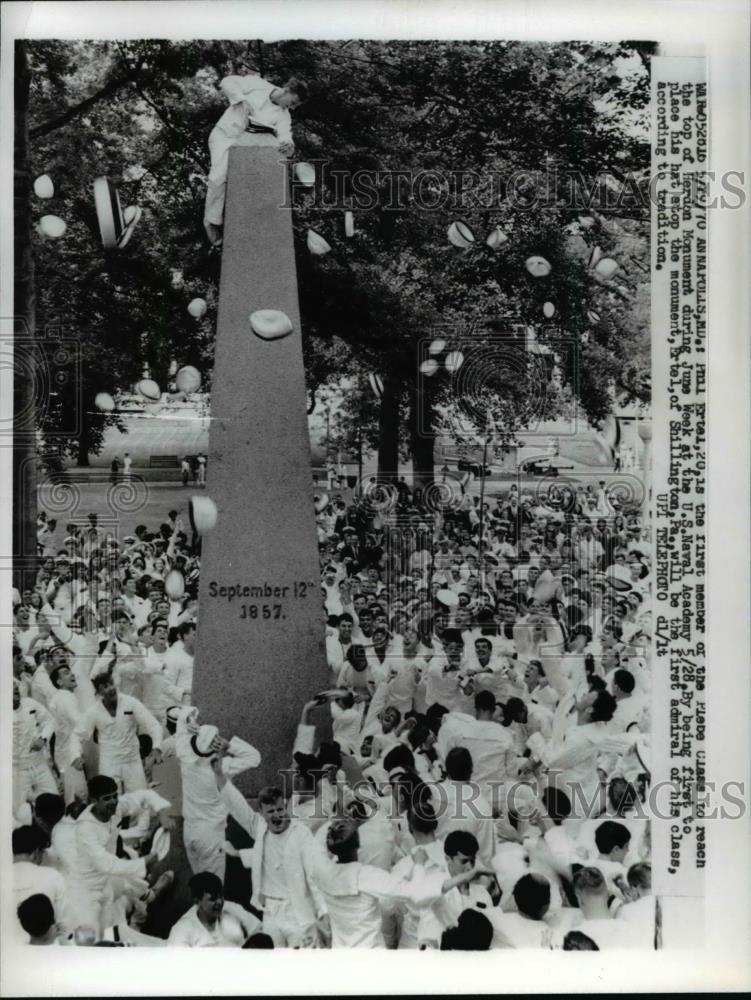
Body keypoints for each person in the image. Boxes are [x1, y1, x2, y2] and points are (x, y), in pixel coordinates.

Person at [213, 765, 327, 947]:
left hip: (297, 912)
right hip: (271, 912)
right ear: (262, 813)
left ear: (285, 807)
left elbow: (313, 873)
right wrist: (219, 775)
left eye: (280, 810)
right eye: (271, 811)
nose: (277, 816)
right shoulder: (260, 827)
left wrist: (322, 910)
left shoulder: (301, 832)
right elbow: (237, 805)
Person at [203, 74, 307, 246]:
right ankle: (211, 221)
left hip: (247, 148)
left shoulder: (284, 115)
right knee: (218, 176)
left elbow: (285, 134)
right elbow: (227, 82)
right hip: (224, 136)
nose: (293, 108)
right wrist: (241, 99)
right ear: (286, 91)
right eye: (293, 102)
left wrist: (288, 145)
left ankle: (249, 225)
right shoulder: (256, 84)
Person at [174, 707, 261, 878]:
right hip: (211, 836)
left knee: (198, 883)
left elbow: (181, 723)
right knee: (213, 887)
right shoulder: (222, 768)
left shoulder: (185, 759)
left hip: (189, 831)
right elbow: (254, 758)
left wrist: (191, 723)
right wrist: (230, 746)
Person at [75, 673, 163, 793]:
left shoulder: (131, 702)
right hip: (109, 762)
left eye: (111, 683)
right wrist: (75, 754)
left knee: (140, 801)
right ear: (99, 693)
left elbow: (153, 725)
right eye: (105, 687)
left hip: (132, 760)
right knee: (111, 801)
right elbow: (77, 734)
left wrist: (157, 747)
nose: (111, 688)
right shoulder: (93, 711)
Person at [168, 872, 261, 947]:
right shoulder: (182, 929)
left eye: (221, 896)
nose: (220, 902)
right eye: (212, 899)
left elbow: (259, 929)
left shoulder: (232, 909)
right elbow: (178, 964)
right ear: (197, 901)